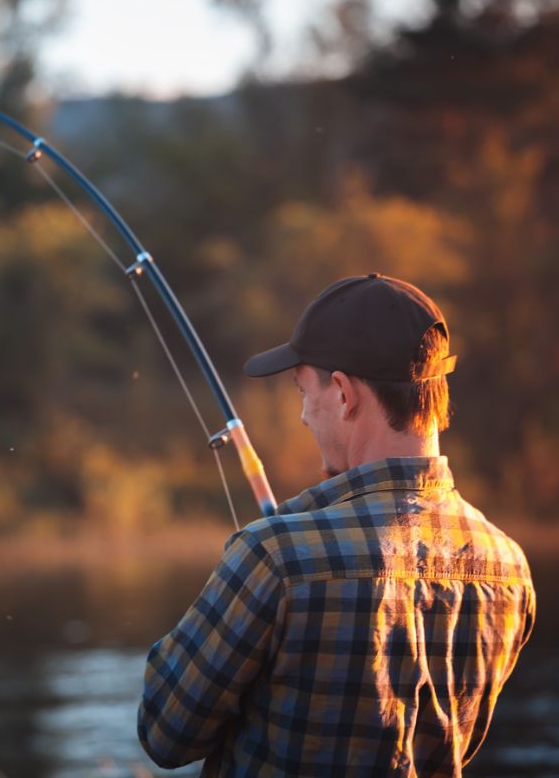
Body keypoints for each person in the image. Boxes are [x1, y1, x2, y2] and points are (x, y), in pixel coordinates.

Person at [138, 273, 536, 777]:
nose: (305, 416)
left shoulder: (274, 555)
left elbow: (164, 733)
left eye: (304, 392)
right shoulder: (509, 567)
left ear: (345, 393)